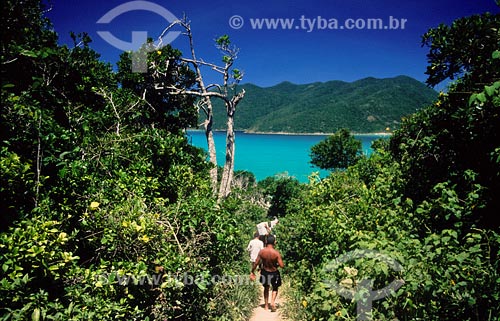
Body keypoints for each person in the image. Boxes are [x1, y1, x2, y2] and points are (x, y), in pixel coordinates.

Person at [250, 234, 284, 312]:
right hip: (274, 272)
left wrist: (252, 271)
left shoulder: (262, 252)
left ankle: (265, 306)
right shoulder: (276, 253)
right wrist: (277, 264)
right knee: (275, 287)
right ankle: (272, 302)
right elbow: (282, 265)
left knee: (266, 287)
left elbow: (256, 263)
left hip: (265, 272)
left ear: (266, 242)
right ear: (274, 242)